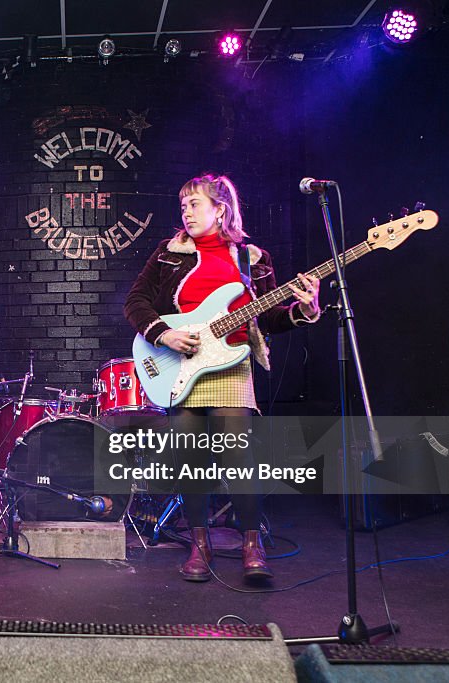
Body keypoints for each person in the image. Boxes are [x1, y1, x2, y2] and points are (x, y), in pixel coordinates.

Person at [124, 173, 320, 583]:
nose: (186, 212)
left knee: (236, 458)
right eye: (183, 205)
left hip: (231, 365)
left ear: (221, 209)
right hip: (179, 364)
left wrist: (305, 310)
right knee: (191, 463)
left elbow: (267, 316)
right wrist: (166, 334)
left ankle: (252, 544)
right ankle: (200, 544)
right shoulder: (168, 252)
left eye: (194, 203)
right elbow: (136, 301)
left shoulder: (251, 258)